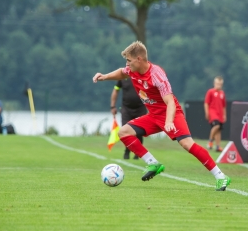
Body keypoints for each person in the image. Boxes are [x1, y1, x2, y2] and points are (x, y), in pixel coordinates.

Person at [93, 41, 231, 191]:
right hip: (153, 116)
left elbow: (170, 101)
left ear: (139, 59)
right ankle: (153, 163)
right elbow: (121, 72)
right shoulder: (131, 70)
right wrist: (104, 76)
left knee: (187, 144)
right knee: (124, 132)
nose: (127, 64)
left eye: (129, 60)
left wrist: (169, 121)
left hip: (171, 114)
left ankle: (221, 177)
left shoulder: (156, 74)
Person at [110, 79, 147, 159]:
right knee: (125, 131)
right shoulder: (123, 77)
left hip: (140, 109)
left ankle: (138, 153)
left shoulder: (142, 76)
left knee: (139, 132)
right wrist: (112, 106)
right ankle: (127, 150)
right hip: (126, 109)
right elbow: (116, 90)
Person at [204, 76, 226, 152]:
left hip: (220, 114)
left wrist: (224, 115)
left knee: (219, 129)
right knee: (216, 126)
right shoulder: (210, 92)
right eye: (217, 83)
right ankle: (210, 141)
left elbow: (224, 106)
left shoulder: (222, 93)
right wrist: (207, 113)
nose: (218, 85)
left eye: (220, 84)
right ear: (214, 83)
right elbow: (206, 103)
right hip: (213, 112)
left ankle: (218, 146)